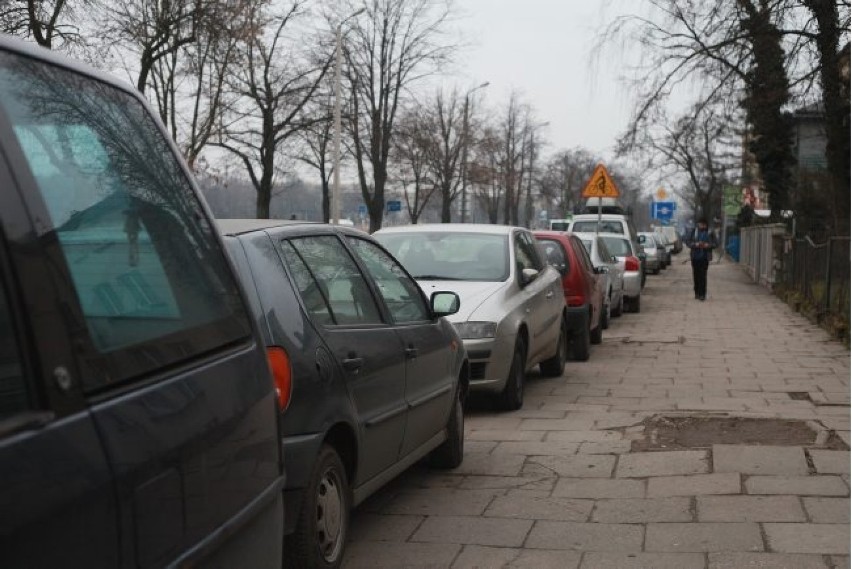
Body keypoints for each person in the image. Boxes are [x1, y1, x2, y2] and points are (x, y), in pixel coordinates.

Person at [686, 218, 717, 301]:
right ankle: (697, 292)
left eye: (704, 225)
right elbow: (688, 242)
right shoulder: (693, 232)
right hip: (695, 257)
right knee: (696, 275)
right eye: (700, 224)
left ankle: (702, 294)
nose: (702, 226)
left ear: (706, 225)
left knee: (703, 276)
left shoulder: (710, 232)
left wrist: (708, 245)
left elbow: (715, 243)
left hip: (705, 257)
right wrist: (695, 244)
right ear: (698, 224)